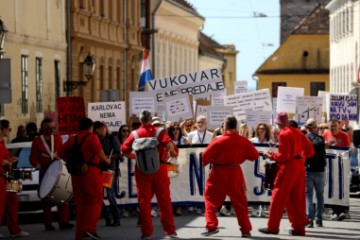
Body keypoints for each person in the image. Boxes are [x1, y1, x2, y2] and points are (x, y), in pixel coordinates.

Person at [121, 110, 178, 239]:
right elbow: (169, 145)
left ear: (140, 120)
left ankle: (146, 233)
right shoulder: (159, 131)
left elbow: (124, 150)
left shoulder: (135, 134)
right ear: (151, 119)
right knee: (164, 201)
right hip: (160, 168)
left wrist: (135, 157)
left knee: (144, 202)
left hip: (142, 170)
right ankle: (170, 231)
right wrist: (172, 152)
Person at [201, 116, 260, 238]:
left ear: (225, 126)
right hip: (235, 172)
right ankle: (245, 230)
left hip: (218, 173)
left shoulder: (218, 140)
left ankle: (211, 226)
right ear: (236, 127)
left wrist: (212, 160)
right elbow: (254, 155)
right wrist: (241, 157)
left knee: (211, 201)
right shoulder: (243, 141)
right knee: (240, 203)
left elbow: (204, 158)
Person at [260, 112, 314, 236]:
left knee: (277, 196)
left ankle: (272, 227)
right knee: (296, 199)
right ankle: (299, 228)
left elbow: (284, 156)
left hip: (288, 168)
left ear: (278, 122)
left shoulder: (284, 134)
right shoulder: (298, 132)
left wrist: (270, 155)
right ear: (287, 121)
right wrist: (300, 157)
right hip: (299, 167)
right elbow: (310, 151)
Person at [58, 118, 110, 240]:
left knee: (81, 205)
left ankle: (80, 234)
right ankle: (90, 229)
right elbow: (100, 153)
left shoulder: (73, 139)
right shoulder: (92, 137)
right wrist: (107, 160)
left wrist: (71, 162)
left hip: (76, 175)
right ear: (90, 127)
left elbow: (60, 153)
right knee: (95, 200)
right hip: (91, 173)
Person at [29, 117, 73, 231]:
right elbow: (32, 157)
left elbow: (63, 151)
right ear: (43, 128)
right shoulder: (37, 141)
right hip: (45, 173)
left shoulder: (58, 138)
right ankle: (48, 223)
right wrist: (37, 164)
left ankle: (64, 221)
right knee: (46, 200)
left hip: (58, 171)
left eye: (53, 128)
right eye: (49, 128)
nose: (52, 130)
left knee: (63, 195)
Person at [0, 119, 29, 238]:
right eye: (9, 129)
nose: (10, 131)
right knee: (1, 204)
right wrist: (6, 162)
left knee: (13, 202)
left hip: (8, 176)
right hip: (1, 177)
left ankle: (15, 229)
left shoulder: (3, 143)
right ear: (3, 129)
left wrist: (10, 160)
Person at [322, 118, 351, 221]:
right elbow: (321, 148)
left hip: (341, 164)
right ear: (328, 126)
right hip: (330, 165)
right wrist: (326, 145)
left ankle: (342, 210)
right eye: (331, 126)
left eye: (335, 125)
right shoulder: (325, 134)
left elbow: (348, 148)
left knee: (341, 186)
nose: (333, 127)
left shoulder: (344, 135)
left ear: (338, 125)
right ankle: (335, 211)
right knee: (331, 186)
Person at [93, 121, 121, 227]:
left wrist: (109, 158)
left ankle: (116, 218)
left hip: (110, 169)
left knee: (109, 195)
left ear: (103, 128)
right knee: (98, 196)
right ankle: (107, 217)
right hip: (99, 169)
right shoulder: (95, 138)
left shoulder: (112, 138)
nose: (97, 135)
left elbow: (119, 152)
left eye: (98, 132)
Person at [304, 118, 326, 228]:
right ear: (315, 127)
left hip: (308, 170)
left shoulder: (304, 139)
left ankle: (310, 219)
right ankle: (319, 219)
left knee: (308, 196)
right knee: (319, 195)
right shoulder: (321, 139)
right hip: (320, 170)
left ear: (307, 128)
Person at [250, 123, 272, 217]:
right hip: (255, 167)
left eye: (263, 129)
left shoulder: (269, 142)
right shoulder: (252, 141)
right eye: (259, 129)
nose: (261, 130)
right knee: (255, 186)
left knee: (264, 187)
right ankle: (254, 209)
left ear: (266, 131)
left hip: (265, 167)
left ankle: (262, 209)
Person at [167, 122, 188, 216]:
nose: (175, 131)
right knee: (172, 186)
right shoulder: (168, 141)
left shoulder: (184, 140)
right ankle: (171, 206)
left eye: (177, 129)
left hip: (182, 166)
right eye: (173, 129)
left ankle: (179, 207)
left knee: (180, 186)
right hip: (171, 166)